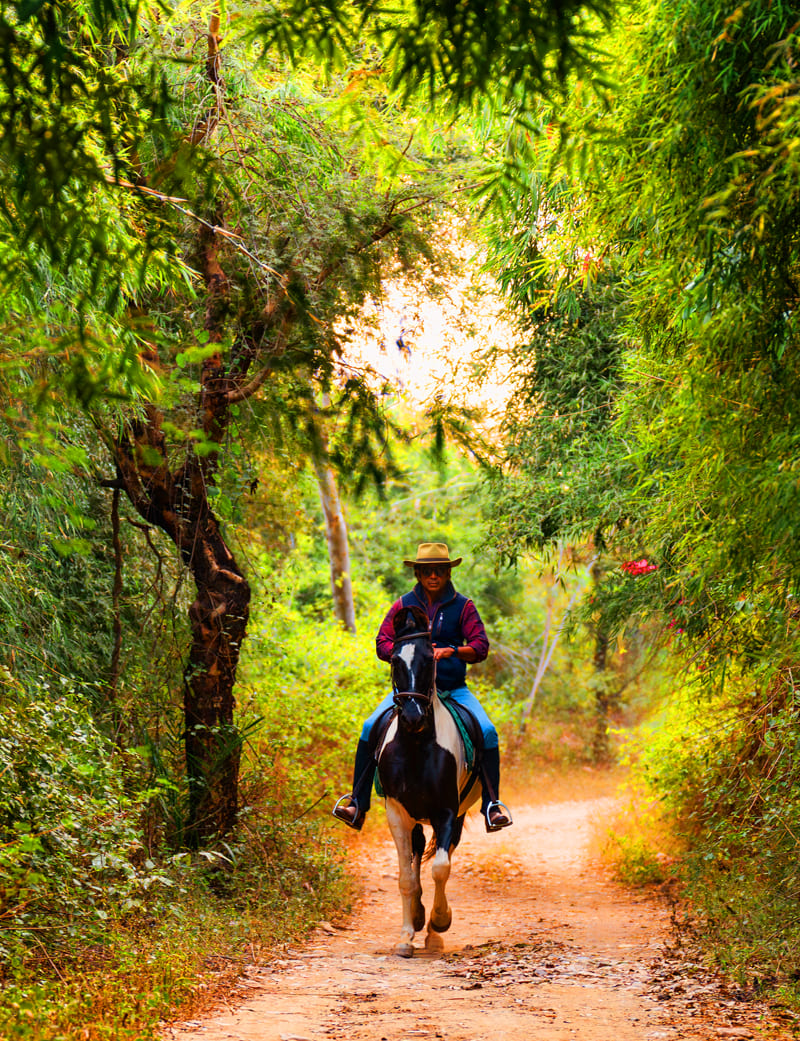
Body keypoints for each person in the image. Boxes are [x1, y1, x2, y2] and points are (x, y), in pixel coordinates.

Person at [332, 542, 512, 833]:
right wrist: (408, 654)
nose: (433, 576)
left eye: (439, 570)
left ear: (448, 572)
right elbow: (382, 642)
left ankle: (492, 805)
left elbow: (480, 646)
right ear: (417, 572)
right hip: (411, 691)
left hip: (453, 689)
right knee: (369, 727)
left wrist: (452, 650)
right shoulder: (403, 605)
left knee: (488, 730)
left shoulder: (463, 606)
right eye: (427, 571)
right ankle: (356, 803)